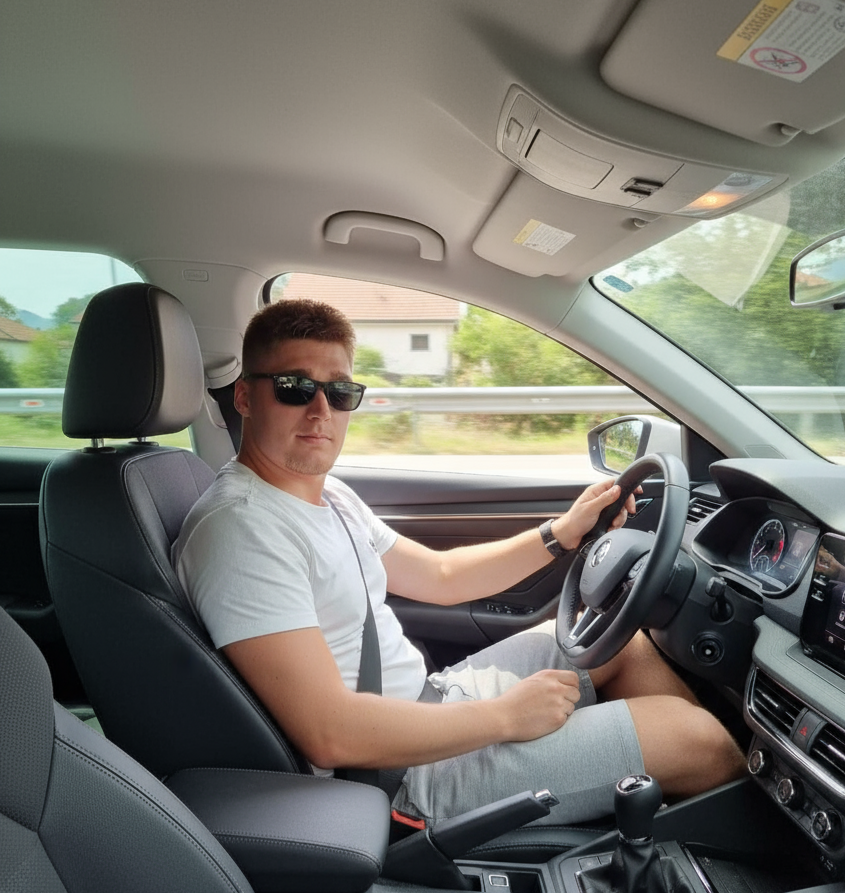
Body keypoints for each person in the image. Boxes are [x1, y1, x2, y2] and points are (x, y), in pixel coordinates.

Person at [173, 299, 745, 824]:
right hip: (398, 774)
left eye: (341, 392)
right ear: (246, 397)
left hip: (429, 703)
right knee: (698, 738)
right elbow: (330, 734)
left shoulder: (327, 495)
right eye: (296, 388)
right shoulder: (240, 530)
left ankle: (673, 808)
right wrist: (505, 718)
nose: (322, 410)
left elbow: (441, 578)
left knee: (618, 642)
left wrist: (561, 533)